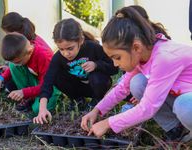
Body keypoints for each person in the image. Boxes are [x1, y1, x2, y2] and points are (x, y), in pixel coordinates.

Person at [81, 6, 192, 143]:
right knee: (138, 83)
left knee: (185, 105)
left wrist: (108, 123)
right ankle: (177, 130)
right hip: (185, 93)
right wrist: (97, 110)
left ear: (136, 47)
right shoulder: (142, 55)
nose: (115, 64)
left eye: (117, 57)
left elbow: (147, 108)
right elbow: (122, 88)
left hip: (187, 101)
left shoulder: (163, 58)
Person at [33, 18, 118, 124]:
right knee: (56, 75)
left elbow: (114, 68)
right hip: (77, 88)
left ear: (81, 41)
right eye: (61, 49)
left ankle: (97, 101)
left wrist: (96, 65)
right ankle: (78, 100)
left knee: (96, 77)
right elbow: (48, 81)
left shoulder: (93, 47)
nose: (66, 53)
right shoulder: (58, 58)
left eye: (70, 48)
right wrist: (42, 109)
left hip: (97, 86)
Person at [0, 33, 61, 114]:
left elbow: (47, 85)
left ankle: (55, 98)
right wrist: (1, 79)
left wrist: (24, 92)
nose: (16, 64)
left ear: (30, 51)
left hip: (51, 85)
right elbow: (13, 65)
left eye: (18, 61)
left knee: (37, 110)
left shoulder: (43, 56)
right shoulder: (23, 55)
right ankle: (31, 97)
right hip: (37, 81)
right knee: (12, 66)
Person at [120, 5, 171, 112]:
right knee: (125, 83)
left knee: (136, 83)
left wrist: (144, 96)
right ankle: (137, 102)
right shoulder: (128, 40)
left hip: (161, 84)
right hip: (144, 80)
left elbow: (160, 77)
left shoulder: (158, 44)